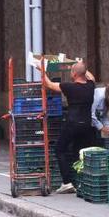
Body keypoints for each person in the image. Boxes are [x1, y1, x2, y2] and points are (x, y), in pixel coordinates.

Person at [40, 60, 96, 194]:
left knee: (60, 149)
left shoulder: (69, 87)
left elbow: (48, 84)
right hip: (86, 125)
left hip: (72, 123)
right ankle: (82, 182)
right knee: (79, 153)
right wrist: (78, 64)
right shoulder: (90, 86)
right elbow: (91, 76)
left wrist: (41, 69)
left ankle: (66, 182)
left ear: (74, 74)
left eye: (72, 71)